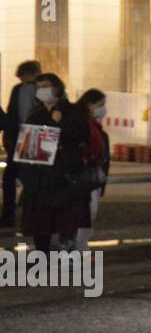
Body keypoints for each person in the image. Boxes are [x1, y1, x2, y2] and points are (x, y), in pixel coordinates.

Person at [17, 73, 91, 254]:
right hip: (40, 179)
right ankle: (42, 257)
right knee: (40, 224)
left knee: (66, 222)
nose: (42, 89)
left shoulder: (73, 112)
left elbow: (81, 137)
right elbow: (29, 148)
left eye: (46, 85)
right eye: (39, 86)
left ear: (57, 88)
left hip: (64, 178)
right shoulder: (35, 115)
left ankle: (68, 256)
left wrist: (59, 124)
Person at [2, 60, 41, 229]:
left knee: (29, 179)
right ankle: (12, 213)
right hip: (19, 137)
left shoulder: (39, 90)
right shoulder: (18, 89)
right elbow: (12, 114)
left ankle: (27, 213)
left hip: (32, 138)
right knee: (12, 177)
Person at [72, 89, 111, 251]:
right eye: (100, 105)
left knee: (90, 213)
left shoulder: (95, 126)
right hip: (85, 176)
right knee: (85, 213)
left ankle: (81, 246)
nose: (103, 108)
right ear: (89, 105)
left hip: (94, 175)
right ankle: (78, 247)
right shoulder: (82, 124)